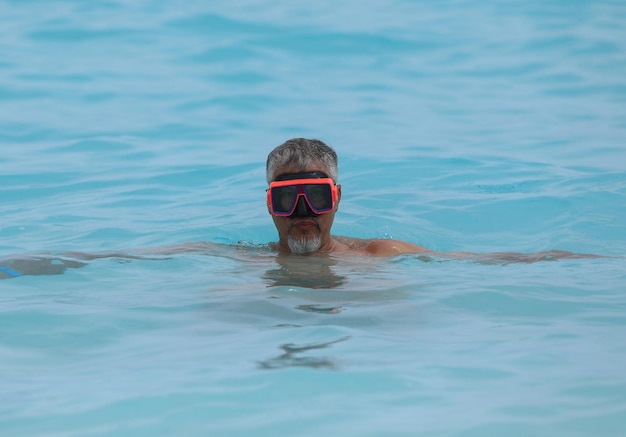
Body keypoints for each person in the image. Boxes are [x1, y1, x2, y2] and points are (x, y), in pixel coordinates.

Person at [0, 138, 606, 279]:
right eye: (286, 198)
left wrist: (582, 259)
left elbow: (494, 261)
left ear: (336, 200)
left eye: (314, 196)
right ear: (268, 206)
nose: (301, 212)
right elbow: (114, 257)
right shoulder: (238, 262)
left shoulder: (381, 255)